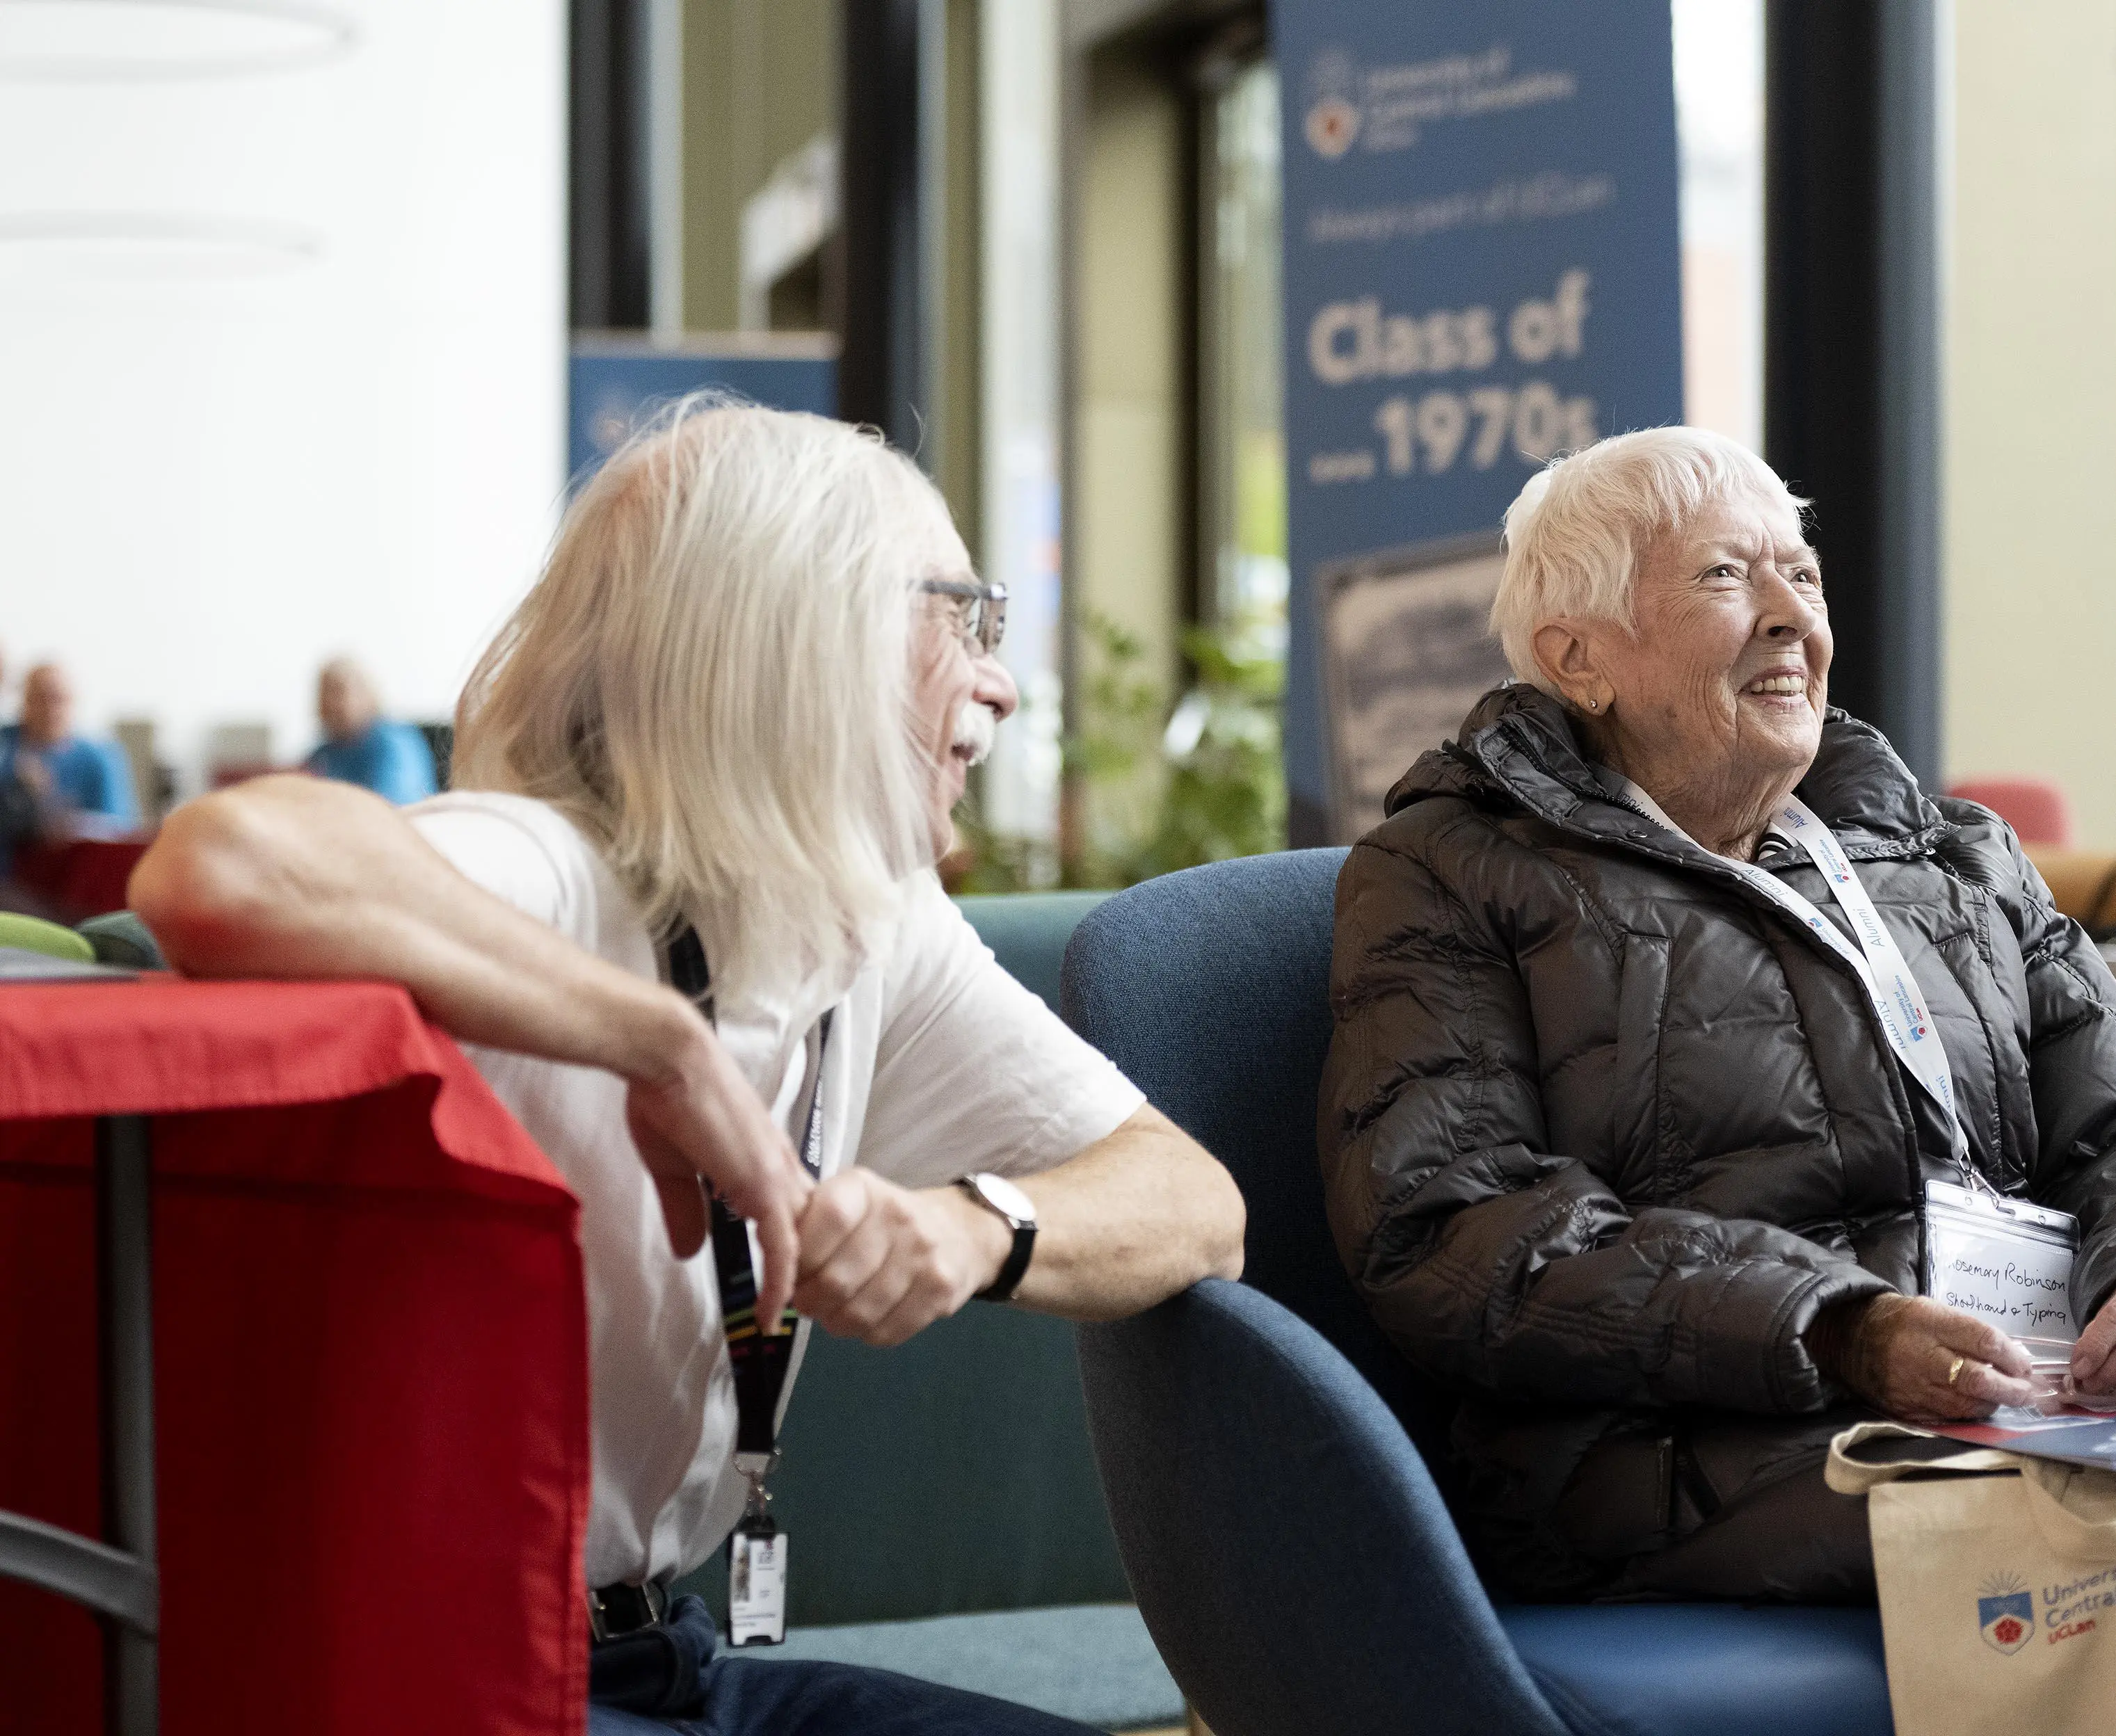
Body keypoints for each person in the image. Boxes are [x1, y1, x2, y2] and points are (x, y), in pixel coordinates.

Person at [132, 399, 1247, 1734]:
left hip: (665, 1659)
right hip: (437, 1673)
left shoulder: (875, 917)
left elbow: (1196, 1203)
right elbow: (217, 867)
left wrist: (974, 1230)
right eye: (965, 619)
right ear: (801, 628)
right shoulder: (544, 861)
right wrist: (664, 1044)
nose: (1001, 684)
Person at [1317, 425, 2116, 1605]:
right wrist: (1838, 1328)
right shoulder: (1448, 870)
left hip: (2029, 1398)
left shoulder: (1949, 852)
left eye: (1803, 576)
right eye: (1726, 576)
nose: (1791, 616)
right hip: (1704, 1442)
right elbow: (1455, 1231)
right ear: (1579, 658)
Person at [4, 660, 138, 833]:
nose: (50, 709)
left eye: (58, 700)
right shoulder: (6, 749)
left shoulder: (99, 759)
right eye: (40, 698)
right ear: (24, 701)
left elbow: (118, 828)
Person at [304, 657, 439, 803]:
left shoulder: (393, 743)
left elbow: (393, 806)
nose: (332, 703)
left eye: (340, 691)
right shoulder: (326, 753)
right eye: (326, 694)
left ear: (367, 692)